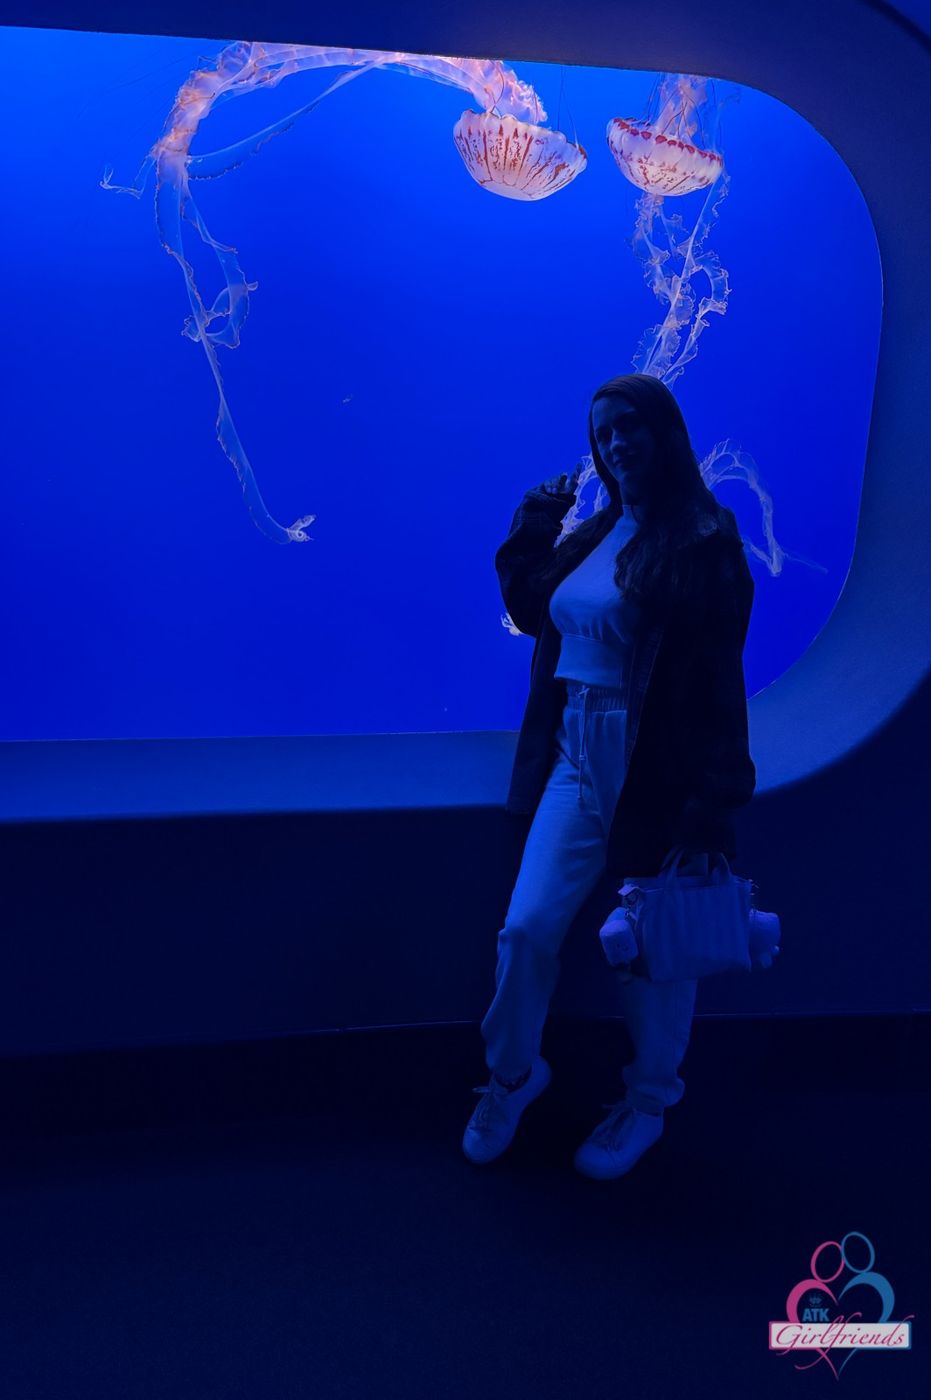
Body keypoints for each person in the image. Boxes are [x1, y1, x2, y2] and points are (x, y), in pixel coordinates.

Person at [462, 372, 757, 1179]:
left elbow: (718, 686)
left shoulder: (704, 539)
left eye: (628, 426)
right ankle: (511, 1077)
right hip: (574, 754)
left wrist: (708, 813)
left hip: (653, 763)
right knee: (525, 930)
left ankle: (648, 1102)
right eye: (602, 433)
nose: (616, 443)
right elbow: (533, 610)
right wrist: (535, 521)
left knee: (653, 949)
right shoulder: (595, 533)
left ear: (663, 432)